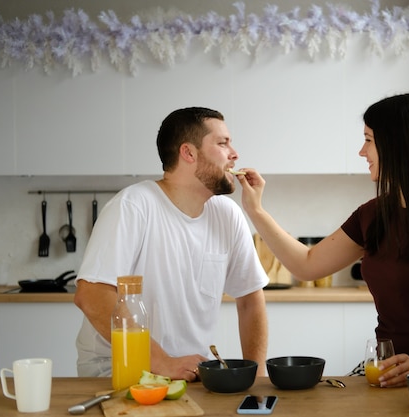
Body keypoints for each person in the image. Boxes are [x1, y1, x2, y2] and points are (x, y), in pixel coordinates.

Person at [237, 93, 409, 387]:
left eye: (368, 140)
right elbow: (306, 265)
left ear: (398, 144)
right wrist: (255, 210)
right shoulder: (373, 215)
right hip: (388, 368)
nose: (361, 152)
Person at [73, 107, 269, 381]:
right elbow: (91, 295)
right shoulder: (133, 205)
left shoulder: (228, 214)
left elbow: (249, 298)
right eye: (223, 143)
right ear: (188, 153)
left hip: (191, 371)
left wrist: (257, 375)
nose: (234, 154)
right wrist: (161, 361)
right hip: (119, 371)